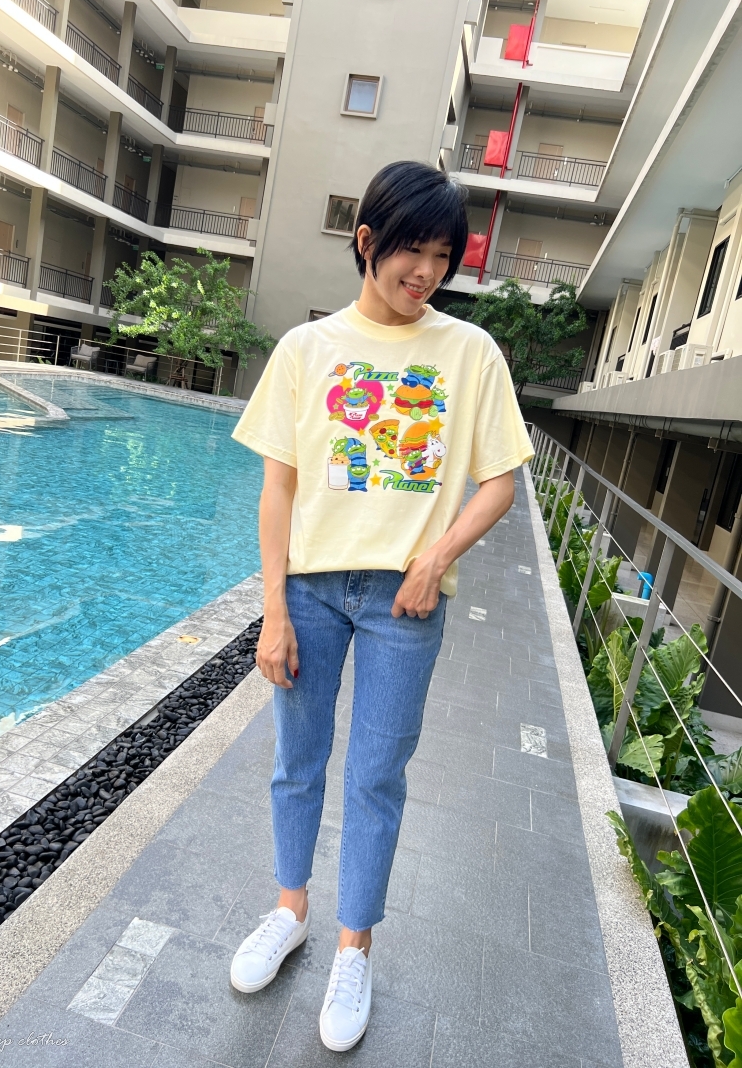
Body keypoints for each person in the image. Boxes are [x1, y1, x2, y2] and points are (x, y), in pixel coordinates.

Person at [230, 160, 534, 1051]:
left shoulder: (469, 353)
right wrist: (274, 610)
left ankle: (353, 949)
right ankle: (290, 912)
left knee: (375, 777)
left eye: (444, 257)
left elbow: (500, 480)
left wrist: (436, 556)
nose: (427, 272)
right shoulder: (306, 350)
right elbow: (278, 491)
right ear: (368, 241)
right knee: (297, 761)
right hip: (312, 591)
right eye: (414, 251)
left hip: (406, 603)